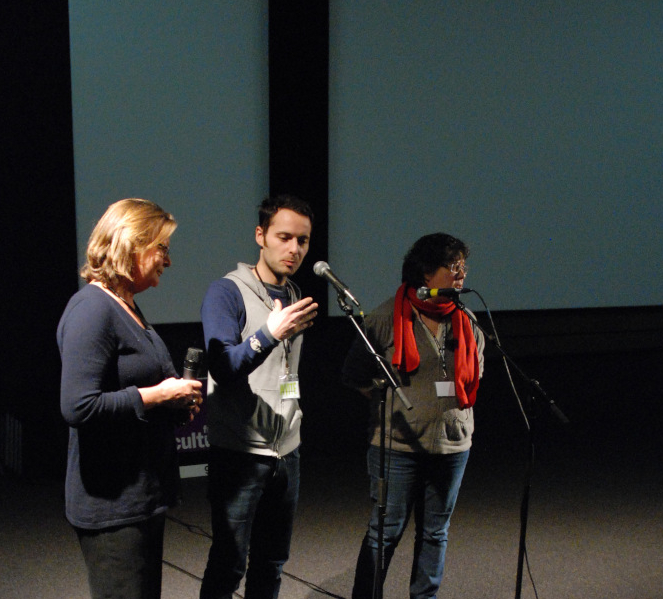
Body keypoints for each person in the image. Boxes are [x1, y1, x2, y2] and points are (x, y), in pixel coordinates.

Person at [58, 198, 204, 599]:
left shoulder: (128, 307)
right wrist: (157, 395)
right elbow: (78, 406)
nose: (167, 261)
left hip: (140, 498)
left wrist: (174, 404)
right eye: (162, 248)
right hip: (111, 507)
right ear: (131, 244)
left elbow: (136, 400)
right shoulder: (92, 309)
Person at [342, 233, 485, 599]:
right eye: (453, 267)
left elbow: (476, 375)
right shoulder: (385, 318)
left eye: (463, 267)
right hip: (396, 447)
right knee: (384, 532)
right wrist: (383, 402)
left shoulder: (468, 322)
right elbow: (354, 374)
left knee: (436, 532)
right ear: (425, 273)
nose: (461, 275)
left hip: (453, 445)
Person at [198, 194, 319, 599]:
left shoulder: (296, 290)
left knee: (271, 563)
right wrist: (269, 334)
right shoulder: (226, 292)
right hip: (240, 452)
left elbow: (286, 373)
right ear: (260, 235)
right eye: (284, 237)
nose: (294, 249)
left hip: (287, 450)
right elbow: (223, 367)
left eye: (302, 241)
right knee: (229, 563)